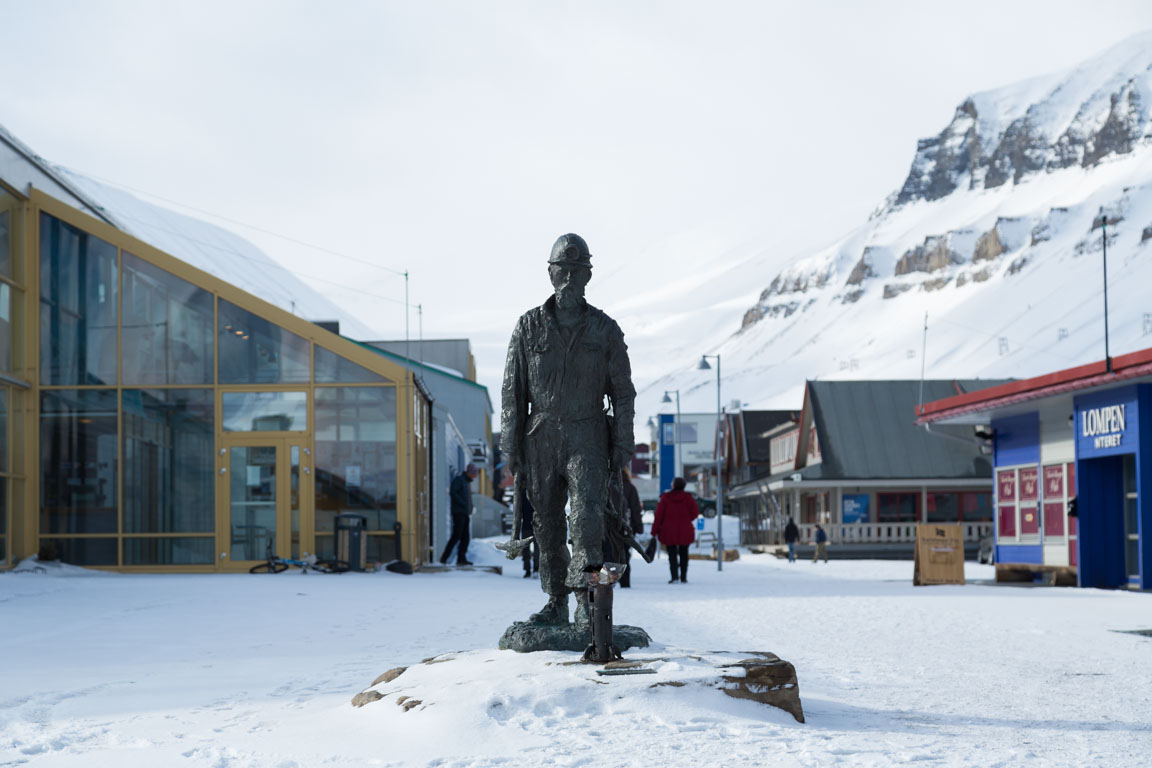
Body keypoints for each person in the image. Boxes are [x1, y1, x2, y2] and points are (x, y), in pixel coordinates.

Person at [501, 233, 636, 628]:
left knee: (587, 520)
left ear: (589, 275)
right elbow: (512, 391)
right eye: (563, 270)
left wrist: (623, 441)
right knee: (546, 523)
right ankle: (555, 600)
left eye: (578, 271)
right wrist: (510, 445)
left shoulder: (605, 330)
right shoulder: (528, 327)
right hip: (540, 435)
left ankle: (587, 601)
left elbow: (623, 393)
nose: (570, 279)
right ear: (550, 273)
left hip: (589, 434)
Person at [652, 477, 699, 583]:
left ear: (673, 485)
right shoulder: (688, 498)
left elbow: (659, 516)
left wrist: (654, 531)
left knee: (672, 554)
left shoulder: (665, 498)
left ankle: (674, 577)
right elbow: (695, 513)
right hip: (685, 530)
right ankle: (683, 577)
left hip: (669, 530)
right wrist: (686, 519)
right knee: (684, 554)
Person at [605, 468, 644, 588]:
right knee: (624, 555)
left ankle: (608, 582)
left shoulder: (603, 485)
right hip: (625, 527)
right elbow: (635, 509)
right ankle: (625, 583)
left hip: (606, 528)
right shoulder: (630, 488)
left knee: (607, 553)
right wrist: (638, 527)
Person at [439, 463, 478, 565]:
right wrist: (463, 504)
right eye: (474, 474)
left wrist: (470, 507)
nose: (475, 476)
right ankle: (444, 558)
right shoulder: (459, 480)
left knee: (465, 538)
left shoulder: (466, 482)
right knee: (456, 536)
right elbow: (453, 492)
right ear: (469, 473)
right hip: (459, 513)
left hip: (465, 513)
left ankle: (461, 558)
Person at [519, 486, 539, 578]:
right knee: (534, 549)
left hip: (530, 525)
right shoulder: (538, 492)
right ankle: (533, 569)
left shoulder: (523, 493)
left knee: (530, 549)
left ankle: (531, 569)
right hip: (533, 525)